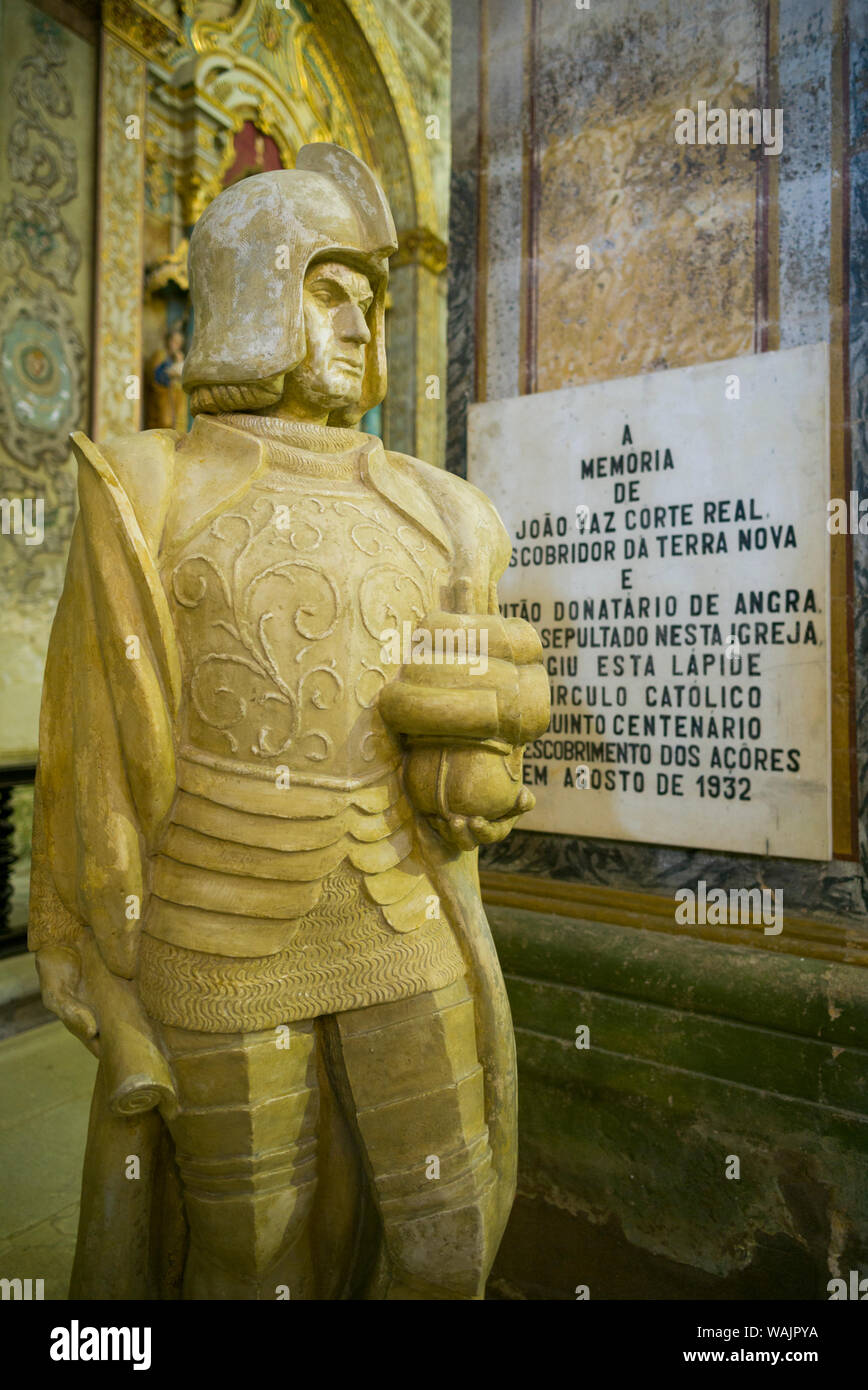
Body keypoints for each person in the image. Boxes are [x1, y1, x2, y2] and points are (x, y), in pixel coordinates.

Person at [29, 144, 550, 1299]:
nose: (361, 322)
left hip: (401, 908)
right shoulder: (151, 489)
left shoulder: (442, 512)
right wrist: (99, 970)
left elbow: (478, 712)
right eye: (328, 291)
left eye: (369, 298)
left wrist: (492, 749)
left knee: (448, 1220)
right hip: (214, 928)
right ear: (256, 293)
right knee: (250, 1249)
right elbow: (91, 757)